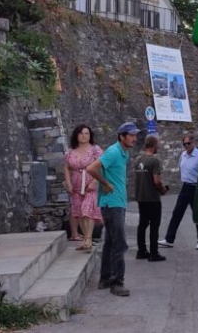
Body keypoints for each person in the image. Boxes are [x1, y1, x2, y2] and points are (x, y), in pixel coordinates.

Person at [86, 121, 140, 297]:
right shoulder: (114, 152)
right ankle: (117, 282)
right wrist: (106, 183)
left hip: (118, 203)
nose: (134, 138)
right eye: (131, 135)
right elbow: (91, 168)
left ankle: (105, 278)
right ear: (121, 136)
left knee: (110, 241)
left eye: (134, 135)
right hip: (112, 204)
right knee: (120, 243)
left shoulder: (123, 153)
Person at [158, 135, 198, 250]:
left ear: (194, 143)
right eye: (184, 144)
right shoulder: (183, 155)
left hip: (196, 188)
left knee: (197, 215)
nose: (186, 146)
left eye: (188, 144)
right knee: (177, 213)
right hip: (185, 187)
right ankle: (169, 239)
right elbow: (181, 168)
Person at [63, 124, 103, 251]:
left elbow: (102, 166)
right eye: (81, 133)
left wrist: (95, 182)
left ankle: (89, 238)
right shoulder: (71, 151)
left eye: (87, 133)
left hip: (90, 184)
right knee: (79, 212)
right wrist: (68, 182)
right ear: (76, 135)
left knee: (87, 209)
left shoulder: (95, 150)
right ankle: (86, 238)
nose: (84, 136)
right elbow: (66, 167)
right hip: (75, 185)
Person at [134, 135, 169, 262]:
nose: (158, 147)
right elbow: (156, 180)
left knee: (142, 224)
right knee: (154, 225)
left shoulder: (138, 160)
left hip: (141, 196)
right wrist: (163, 189)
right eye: (157, 145)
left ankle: (141, 251)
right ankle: (154, 253)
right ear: (154, 145)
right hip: (152, 198)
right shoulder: (154, 161)